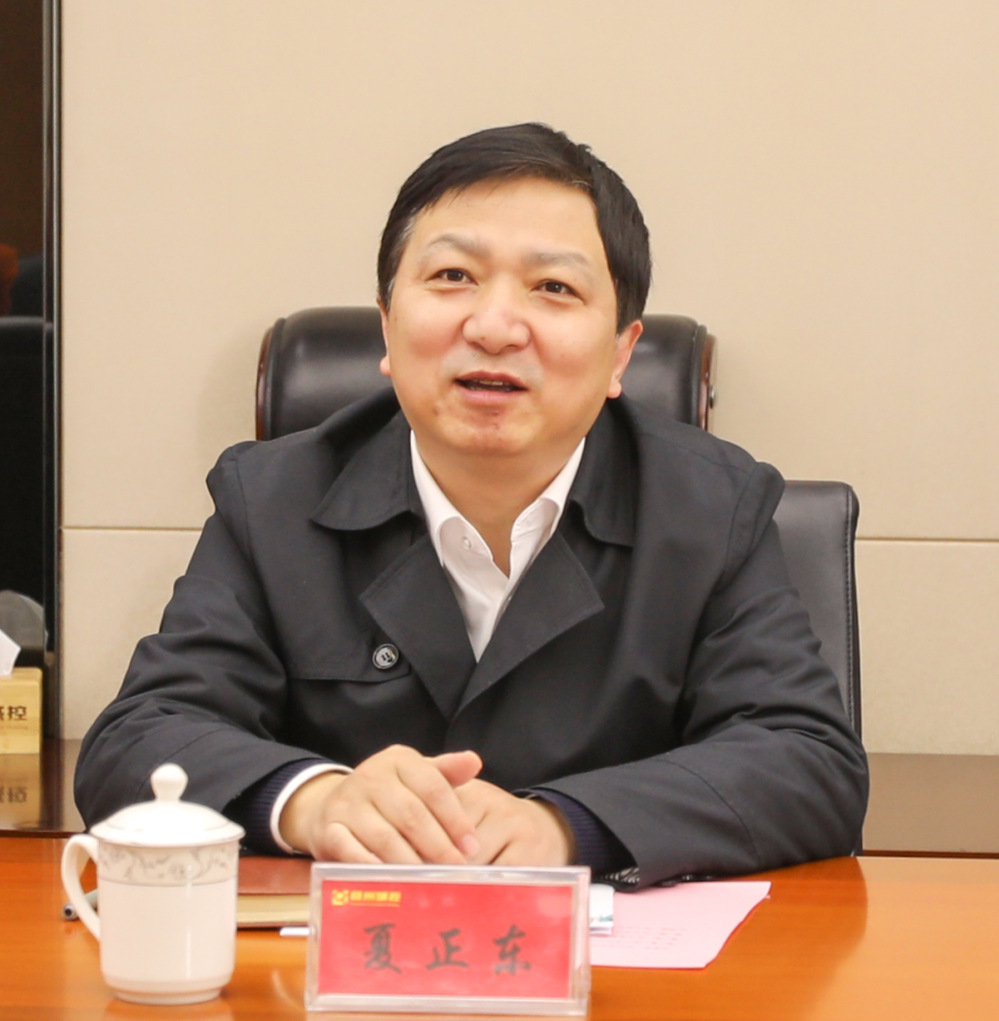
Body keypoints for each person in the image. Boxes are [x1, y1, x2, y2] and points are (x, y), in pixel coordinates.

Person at [75, 123, 867, 888]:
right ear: (387, 325)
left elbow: (806, 760)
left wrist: (563, 825)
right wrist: (314, 801)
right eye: (452, 276)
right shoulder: (274, 498)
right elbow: (138, 740)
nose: (493, 327)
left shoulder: (710, 507)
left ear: (620, 353)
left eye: (553, 287)